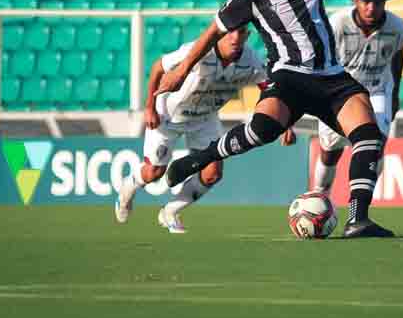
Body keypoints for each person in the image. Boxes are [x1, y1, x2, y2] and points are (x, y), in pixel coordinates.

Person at [159, 0, 403, 238]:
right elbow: (213, 32)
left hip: (332, 78)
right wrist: (182, 70)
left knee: (370, 136)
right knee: (262, 130)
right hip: (289, 77)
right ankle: (203, 156)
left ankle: (357, 219)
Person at [115, 26, 295, 234]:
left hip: (205, 119)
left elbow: (269, 90)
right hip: (169, 115)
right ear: (221, 33)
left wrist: (285, 123)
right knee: (154, 173)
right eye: (231, 32)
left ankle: (170, 212)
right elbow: (158, 67)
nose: (235, 37)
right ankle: (129, 187)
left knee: (213, 173)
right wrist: (149, 108)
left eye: (241, 32)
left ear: (247, 35)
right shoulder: (198, 50)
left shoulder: (251, 61)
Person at [312, 0, 403, 196]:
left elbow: (397, 55)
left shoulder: (398, 28)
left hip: (376, 90)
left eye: (377, 1)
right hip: (339, 92)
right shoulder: (336, 24)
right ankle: (319, 194)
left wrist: (394, 95)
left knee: (375, 145)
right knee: (330, 150)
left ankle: (361, 204)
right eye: (365, 1)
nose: (371, 8)